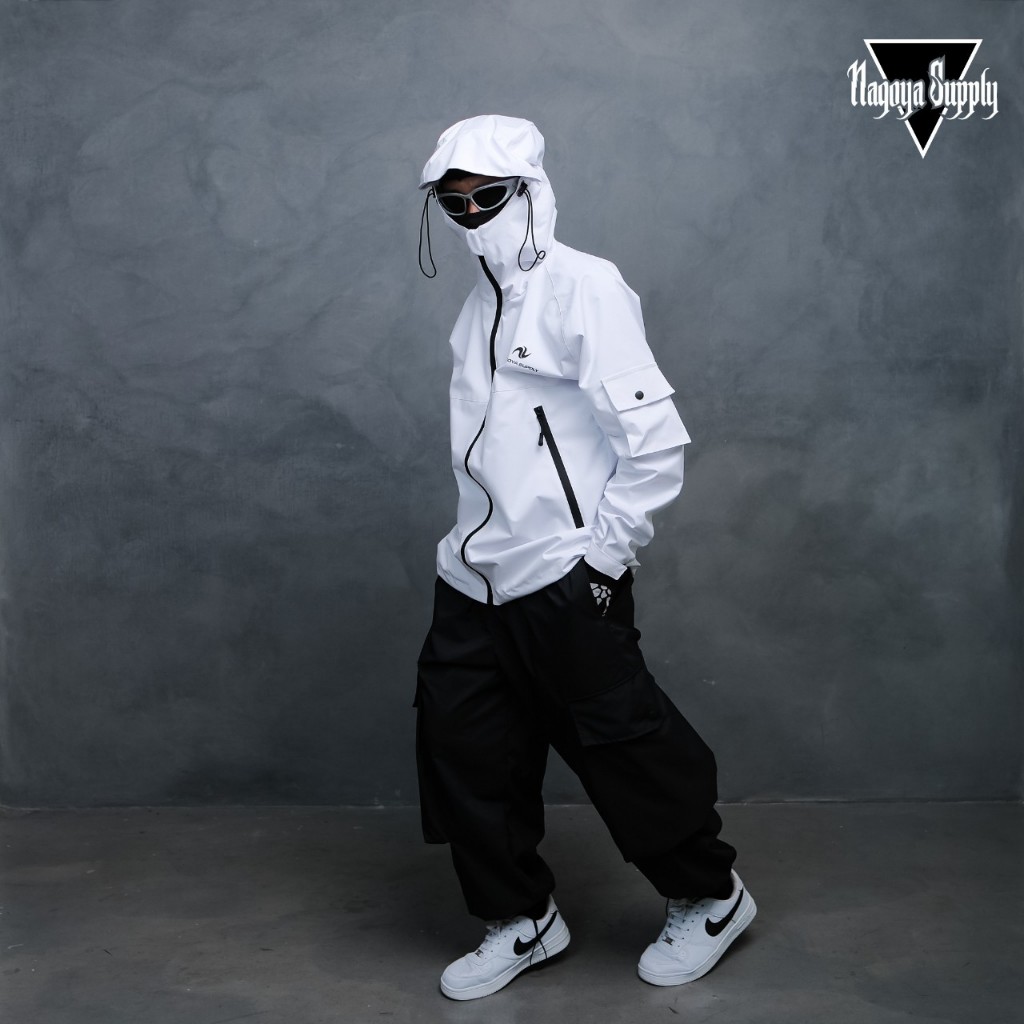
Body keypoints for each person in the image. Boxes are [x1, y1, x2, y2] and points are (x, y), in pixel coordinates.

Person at [413, 114, 755, 1002]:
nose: (472, 215)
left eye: (488, 197)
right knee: (467, 751)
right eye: (453, 203)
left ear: (530, 192)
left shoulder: (585, 287)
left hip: (562, 570)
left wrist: (601, 562)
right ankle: (521, 917)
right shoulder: (479, 302)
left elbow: (654, 444)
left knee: (623, 748)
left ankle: (711, 897)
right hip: (472, 575)